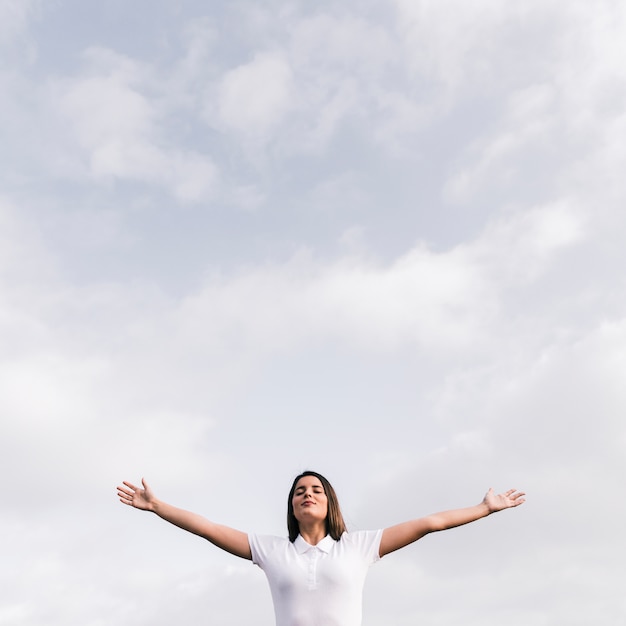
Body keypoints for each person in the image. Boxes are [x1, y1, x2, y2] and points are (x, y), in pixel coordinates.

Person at [117, 471, 525, 626]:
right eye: (299, 491)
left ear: (329, 502)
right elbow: (208, 529)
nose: (306, 494)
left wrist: (484, 509)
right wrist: (157, 506)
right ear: (292, 506)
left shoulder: (359, 546)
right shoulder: (271, 550)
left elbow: (428, 524)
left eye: (315, 490)